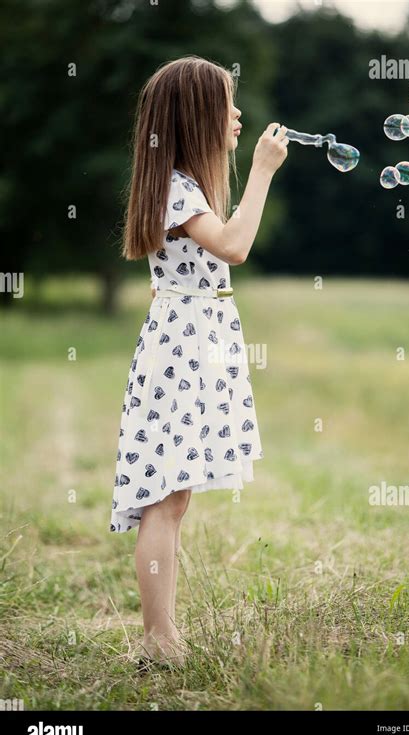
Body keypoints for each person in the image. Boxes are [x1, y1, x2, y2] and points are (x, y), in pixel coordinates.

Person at [110, 55, 289, 669]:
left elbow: (175, 279)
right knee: (164, 496)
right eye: (228, 104)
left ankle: (164, 637)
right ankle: (158, 642)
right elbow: (236, 246)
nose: (239, 115)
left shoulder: (185, 187)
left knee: (176, 496)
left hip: (194, 345)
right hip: (183, 352)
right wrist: (263, 172)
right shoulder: (178, 189)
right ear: (196, 117)